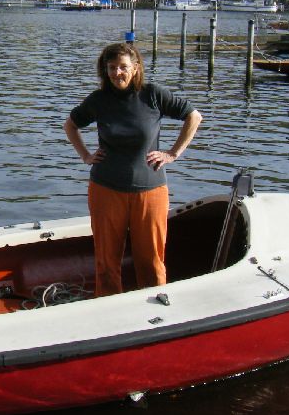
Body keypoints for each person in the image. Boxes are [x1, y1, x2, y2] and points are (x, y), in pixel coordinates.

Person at [63, 42, 202, 297]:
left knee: (151, 261)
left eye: (123, 67)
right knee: (106, 263)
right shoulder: (98, 100)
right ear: (105, 70)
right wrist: (85, 155)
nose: (117, 73)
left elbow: (193, 116)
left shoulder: (153, 95)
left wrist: (173, 153)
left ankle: (152, 311)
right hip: (106, 189)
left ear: (136, 68)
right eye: (111, 67)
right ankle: (109, 310)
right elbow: (70, 125)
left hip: (150, 191)